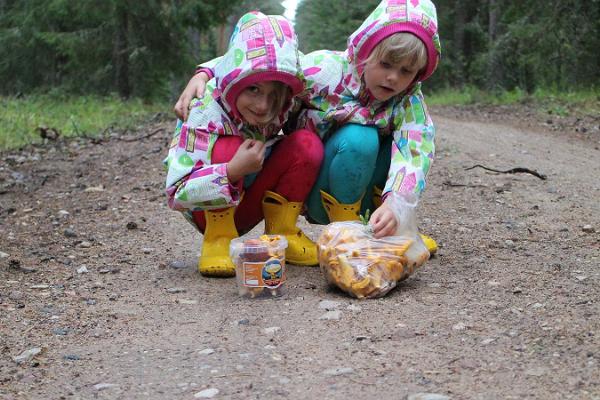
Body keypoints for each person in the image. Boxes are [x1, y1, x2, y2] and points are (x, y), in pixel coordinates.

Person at [175, 0, 441, 252]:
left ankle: (382, 228)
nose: (393, 77)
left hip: (365, 187)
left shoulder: (409, 101)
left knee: (391, 145)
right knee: (361, 137)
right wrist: (205, 72)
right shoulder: (325, 71)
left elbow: (414, 152)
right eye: (385, 64)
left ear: (418, 74)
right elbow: (264, 64)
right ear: (364, 52)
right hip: (319, 185)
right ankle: (344, 232)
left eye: (406, 71)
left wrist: (397, 205)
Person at [165, 11, 324, 277]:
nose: (263, 106)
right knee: (229, 145)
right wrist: (231, 171)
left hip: (251, 199)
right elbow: (176, 193)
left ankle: (281, 234)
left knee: (306, 143)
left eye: (274, 94)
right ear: (234, 81)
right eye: (253, 90)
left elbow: (333, 67)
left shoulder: (285, 100)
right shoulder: (204, 110)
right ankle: (219, 240)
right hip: (209, 211)